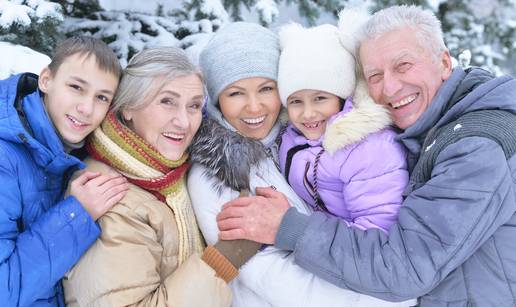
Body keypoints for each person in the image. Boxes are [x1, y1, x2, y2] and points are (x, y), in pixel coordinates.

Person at [217, 5, 516, 306]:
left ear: (444, 62)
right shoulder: (427, 124)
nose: (389, 87)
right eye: (374, 75)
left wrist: (289, 228)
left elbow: (404, 267)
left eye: (403, 65)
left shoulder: (476, 148)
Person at [188, 21, 415, 307]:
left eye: (266, 88)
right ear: (217, 101)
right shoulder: (218, 173)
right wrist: (388, 299)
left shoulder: (299, 140)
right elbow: (274, 278)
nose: (255, 106)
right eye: (235, 93)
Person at [63, 46, 238, 307]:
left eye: (193, 106)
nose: (184, 122)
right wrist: (226, 258)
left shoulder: (172, 176)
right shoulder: (110, 196)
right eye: (166, 101)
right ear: (128, 107)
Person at [0, 36, 128, 307]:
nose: (87, 108)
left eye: (102, 97)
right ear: (46, 80)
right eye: (76, 87)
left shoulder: (76, 151)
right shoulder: (5, 157)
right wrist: (76, 214)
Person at [277, 22, 407, 233]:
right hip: (321, 241)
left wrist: (300, 233)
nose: (307, 113)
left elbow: (376, 232)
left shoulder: (369, 147)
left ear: (342, 96)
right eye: (295, 101)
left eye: (319, 98)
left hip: (349, 253)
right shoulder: (292, 134)